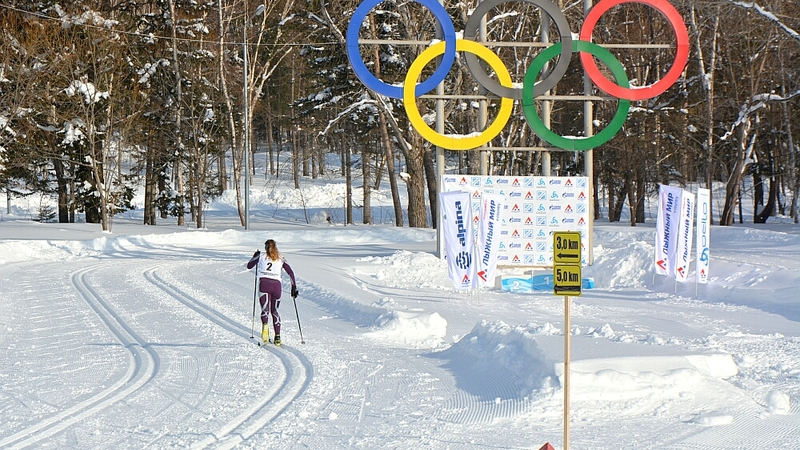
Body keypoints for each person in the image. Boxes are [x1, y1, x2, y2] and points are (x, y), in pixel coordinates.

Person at [247, 239, 298, 346]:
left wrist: (254, 256)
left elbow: (249, 265)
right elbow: (291, 272)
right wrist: (294, 287)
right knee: (275, 311)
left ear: (266, 247)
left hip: (264, 284)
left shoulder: (260, 256)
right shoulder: (281, 259)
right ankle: (278, 337)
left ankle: (265, 329)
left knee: (265, 310)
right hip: (277, 287)